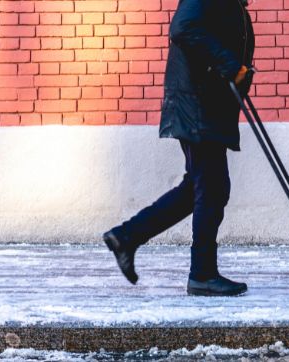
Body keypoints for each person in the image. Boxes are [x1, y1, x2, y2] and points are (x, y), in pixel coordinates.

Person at [103, 0, 256, 297]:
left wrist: (238, 70)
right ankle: (202, 274)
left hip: (204, 103)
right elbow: (183, 27)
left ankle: (126, 236)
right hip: (197, 105)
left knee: (199, 187)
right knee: (211, 188)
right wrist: (230, 65)